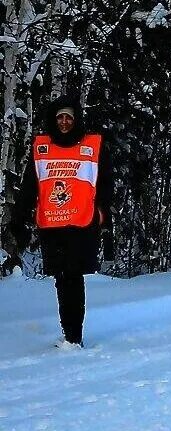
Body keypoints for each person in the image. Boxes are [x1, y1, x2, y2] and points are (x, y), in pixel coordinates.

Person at [8, 96, 113, 348]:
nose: (64, 122)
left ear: (75, 120)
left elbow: (106, 181)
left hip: (82, 224)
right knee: (61, 279)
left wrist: (103, 211)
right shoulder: (41, 148)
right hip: (52, 225)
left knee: (74, 278)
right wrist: (19, 219)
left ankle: (74, 336)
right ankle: (68, 334)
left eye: (69, 118)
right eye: (60, 118)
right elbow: (29, 187)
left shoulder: (93, 146)